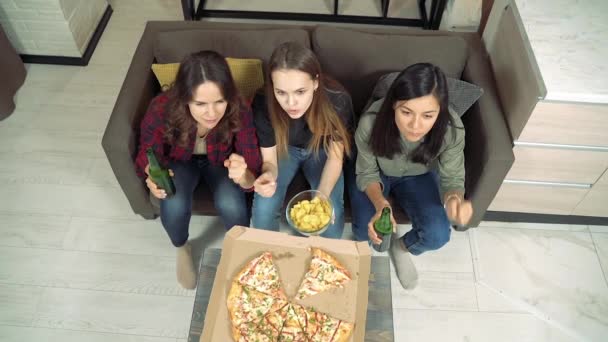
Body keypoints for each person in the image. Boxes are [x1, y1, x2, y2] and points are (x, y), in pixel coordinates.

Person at [134, 50, 261, 289]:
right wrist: (151, 173)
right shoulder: (161, 108)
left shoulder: (240, 108)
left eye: (219, 102)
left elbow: (251, 162)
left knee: (232, 204)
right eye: (200, 104)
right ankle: (182, 247)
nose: (211, 113)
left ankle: (239, 251)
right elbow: (146, 151)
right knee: (173, 202)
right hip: (179, 161)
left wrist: (244, 175)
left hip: (220, 162)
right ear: (184, 98)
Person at [354, 63, 473, 289]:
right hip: (377, 174)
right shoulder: (371, 122)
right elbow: (366, 171)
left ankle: (400, 248)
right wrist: (381, 206)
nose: (416, 125)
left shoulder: (452, 130)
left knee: (438, 235)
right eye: (406, 112)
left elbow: (453, 178)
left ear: (441, 111)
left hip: (419, 176)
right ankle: (385, 236)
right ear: (393, 106)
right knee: (363, 230)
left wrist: (454, 201)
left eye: (428, 115)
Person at [251, 41, 353, 239]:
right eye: (281, 92)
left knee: (331, 216)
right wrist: (268, 176)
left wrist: (321, 197)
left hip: (322, 151)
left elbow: (335, 158)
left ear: (315, 82)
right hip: (284, 150)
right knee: (263, 213)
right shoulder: (263, 102)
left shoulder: (337, 100)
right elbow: (270, 161)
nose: (291, 103)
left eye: (300, 92)